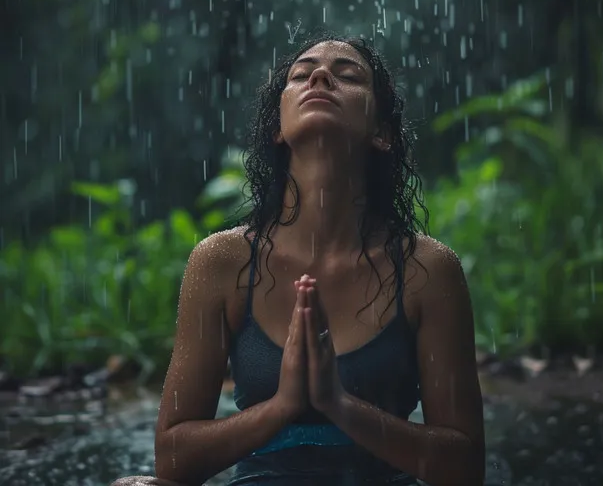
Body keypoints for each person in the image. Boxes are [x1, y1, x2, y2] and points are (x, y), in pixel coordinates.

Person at [110, 33, 485, 486]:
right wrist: (283, 405)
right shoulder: (223, 263)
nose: (321, 77)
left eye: (348, 76)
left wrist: (340, 405)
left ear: (382, 132)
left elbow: (464, 466)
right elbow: (173, 460)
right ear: (278, 128)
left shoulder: (428, 270)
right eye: (301, 75)